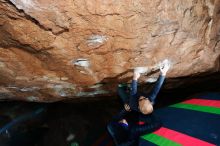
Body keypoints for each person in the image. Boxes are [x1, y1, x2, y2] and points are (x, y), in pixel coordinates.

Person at [107, 63, 170, 146]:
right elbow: (155, 90)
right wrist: (163, 73)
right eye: (124, 123)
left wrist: (124, 110)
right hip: (137, 108)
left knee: (120, 90)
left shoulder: (112, 127)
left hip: (134, 107)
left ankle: (124, 89)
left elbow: (134, 93)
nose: (123, 120)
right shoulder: (134, 130)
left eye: (121, 122)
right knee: (144, 99)